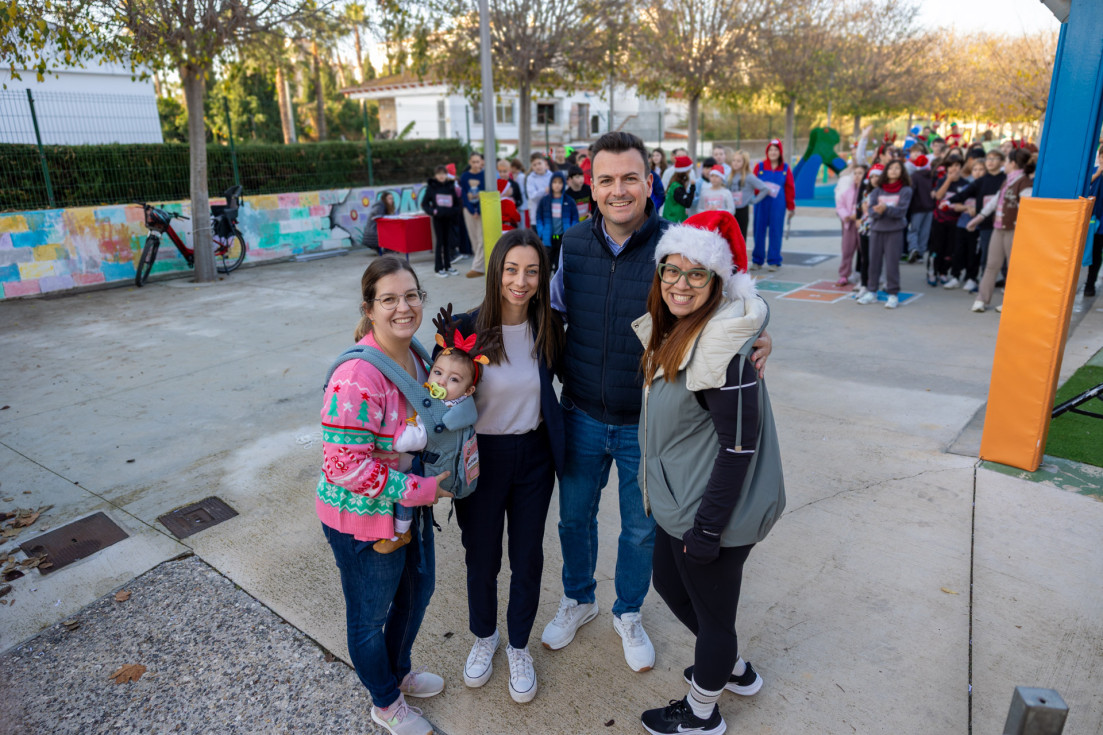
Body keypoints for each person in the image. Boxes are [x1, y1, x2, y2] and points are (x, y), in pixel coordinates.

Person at [545, 131, 772, 673]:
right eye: (606, 180)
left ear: (649, 182)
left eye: (629, 178)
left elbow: (735, 295)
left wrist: (764, 331)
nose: (618, 189)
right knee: (574, 520)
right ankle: (579, 598)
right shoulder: (571, 245)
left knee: (641, 528)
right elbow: (546, 312)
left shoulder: (675, 244)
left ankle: (628, 610)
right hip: (579, 411)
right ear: (590, 186)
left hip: (644, 424)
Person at [634, 210, 784, 735]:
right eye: (671, 271)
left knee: (714, 620)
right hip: (679, 502)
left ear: (717, 282)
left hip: (711, 512)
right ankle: (732, 669)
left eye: (696, 274)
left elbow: (740, 449)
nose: (680, 284)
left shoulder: (725, 352)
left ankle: (702, 713)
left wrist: (708, 528)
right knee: (669, 584)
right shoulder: (677, 329)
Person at [318, 257, 453, 735]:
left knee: (418, 592)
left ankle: (397, 670)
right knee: (369, 618)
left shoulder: (417, 355)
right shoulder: (357, 376)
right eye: (389, 299)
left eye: (412, 295)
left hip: (405, 510)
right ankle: (385, 700)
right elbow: (345, 465)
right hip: (361, 518)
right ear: (369, 308)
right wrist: (421, 489)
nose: (404, 307)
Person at [451, 230, 566, 704]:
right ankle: (485, 636)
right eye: (512, 269)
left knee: (527, 558)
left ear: (543, 277)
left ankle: (518, 645)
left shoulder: (552, 326)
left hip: (534, 457)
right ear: (496, 271)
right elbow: (435, 389)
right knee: (481, 559)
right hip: (482, 460)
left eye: (532, 270)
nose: (521, 281)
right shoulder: (464, 328)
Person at [377, 311, 486, 554]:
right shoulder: (459, 404)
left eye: (453, 379)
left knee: (405, 488)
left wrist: (386, 433)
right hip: (447, 464)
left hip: (432, 472)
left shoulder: (440, 412)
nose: (441, 383)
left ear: (469, 390)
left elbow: (409, 440)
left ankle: (401, 531)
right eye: (437, 373)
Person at [968, 148, 1035, 313]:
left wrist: (1021, 230)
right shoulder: (1007, 181)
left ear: (1013, 163)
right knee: (992, 265)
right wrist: (978, 219)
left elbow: (1026, 209)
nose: (1004, 164)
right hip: (998, 229)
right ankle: (981, 299)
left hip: (1013, 230)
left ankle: (1011, 302)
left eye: (1005, 161)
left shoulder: (1024, 183)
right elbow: (995, 202)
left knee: (1013, 267)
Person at [857, 159, 912, 309]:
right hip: (876, 230)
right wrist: (879, 211)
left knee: (892, 264)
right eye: (891, 168)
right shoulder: (877, 191)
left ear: (902, 172)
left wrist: (885, 209)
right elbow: (870, 212)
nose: (893, 170)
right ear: (886, 171)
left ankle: (893, 294)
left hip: (894, 231)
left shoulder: (905, 190)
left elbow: (901, 211)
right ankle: (871, 291)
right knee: (874, 262)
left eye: (897, 168)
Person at [751, 139, 795, 272]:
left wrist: (791, 207)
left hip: (778, 205)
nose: (773, 152)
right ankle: (757, 261)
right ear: (767, 151)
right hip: (761, 204)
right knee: (759, 231)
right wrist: (762, 189)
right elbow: (752, 184)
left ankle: (774, 261)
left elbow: (789, 188)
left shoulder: (785, 168)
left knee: (776, 231)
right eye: (771, 149)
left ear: (780, 152)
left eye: (776, 150)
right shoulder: (760, 167)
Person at [421, 166, 461, 278]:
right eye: (439, 174)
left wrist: (453, 211)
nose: (441, 176)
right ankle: (438, 268)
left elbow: (456, 204)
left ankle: (448, 266)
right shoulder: (431, 187)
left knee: (448, 242)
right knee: (440, 243)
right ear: (435, 176)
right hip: (438, 219)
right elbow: (424, 204)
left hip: (449, 219)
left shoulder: (450, 186)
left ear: (446, 175)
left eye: (443, 174)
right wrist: (433, 211)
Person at [536, 171, 580, 269]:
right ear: (551, 184)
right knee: (545, 265)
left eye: (560, 183)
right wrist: (541, 232)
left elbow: (575, 218)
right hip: (548, 238)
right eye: (554, 182)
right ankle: (546, 284)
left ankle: (557, 284)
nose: (557, 185)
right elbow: (539, 218)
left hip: (563, 237)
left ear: (563, 184)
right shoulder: (544, 201)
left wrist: (571, 232)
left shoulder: (569, 201)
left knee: (559, 266)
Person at [460, 153, 489, 278]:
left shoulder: (484, 175)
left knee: (481, 238)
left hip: (483, 210)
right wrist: (472, 210)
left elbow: (485, 193)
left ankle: (477, 267)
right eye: (474, 162)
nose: (476, 164)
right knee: (474, 239)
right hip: (469, 211)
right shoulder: (465, 176)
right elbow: (464, 195)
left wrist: (479, 210)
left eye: (478, 161)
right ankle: (480, 266)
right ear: (470, 162)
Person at [727, 149, 768, 238]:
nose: (735, 163)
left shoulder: (749, 176)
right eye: (734, 160)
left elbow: (764, 189)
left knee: (740, 237)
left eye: (739, 161)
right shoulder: (729, 176)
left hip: (742, 210)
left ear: (744, 163)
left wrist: (754, 200)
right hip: (729, 210)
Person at [835, 164, 863, 287]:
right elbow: (840, 205)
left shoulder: (866, 191)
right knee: (847, 250)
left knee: (864, 251)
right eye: (855, 173)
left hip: (863, 225)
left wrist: (856, 215)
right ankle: (844, 274)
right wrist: (846, 215)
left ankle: (865, 276)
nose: (857, 176)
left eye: (860, 173)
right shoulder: (848, 191)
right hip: (849, 225)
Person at [1083, 144, 1103, 298]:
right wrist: (1099, 172)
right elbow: (1084, 186)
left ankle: (1091, 283)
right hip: (1091, 221)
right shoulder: (1093, 173)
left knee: (1097, 254)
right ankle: (1089, 284)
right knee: (1092, 252)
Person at [662, 156, 697, 224]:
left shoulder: (675, 184)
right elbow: (687, 203)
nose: (690, 173)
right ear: (684, 172)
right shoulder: (677, 188)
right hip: (674, 222)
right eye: (689, 171)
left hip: (673, 220)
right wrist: (692, 187)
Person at [526, 154, 553, 226]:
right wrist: (545, 190)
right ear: (532, 166)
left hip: (551, 215)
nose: (538, 166)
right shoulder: (530, 178)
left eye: (539, 163)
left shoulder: (551, 176)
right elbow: (532, 196)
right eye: (534, 165)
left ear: (544, 163)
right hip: (536, 216)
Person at [650, 148, 667, 212]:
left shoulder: (666, 170)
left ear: (662, 156)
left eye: (657, 155)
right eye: (653, 155)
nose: (655, 157)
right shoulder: (650, 170)